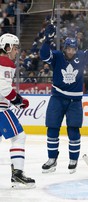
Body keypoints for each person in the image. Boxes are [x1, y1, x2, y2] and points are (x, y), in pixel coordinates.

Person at [40, 14, 88, 174]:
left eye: (73, 49)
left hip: (74, 101)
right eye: (68, 49)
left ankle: (73, 159)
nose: (71, 51)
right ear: (64, 48)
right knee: (52, 128)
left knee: (73, 130)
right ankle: (52, 159)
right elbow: (43, 55)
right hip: (57, 97)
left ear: (76, 48)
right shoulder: (57, 56)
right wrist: (47, 39)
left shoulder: (82, 57)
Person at [0, 33, 35, 188]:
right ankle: (18, 174)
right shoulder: (5, 62)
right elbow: (5, 89)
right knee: (19, 136)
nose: (16, 51)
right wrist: (19, 101)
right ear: (7, 47)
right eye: (15, 48)